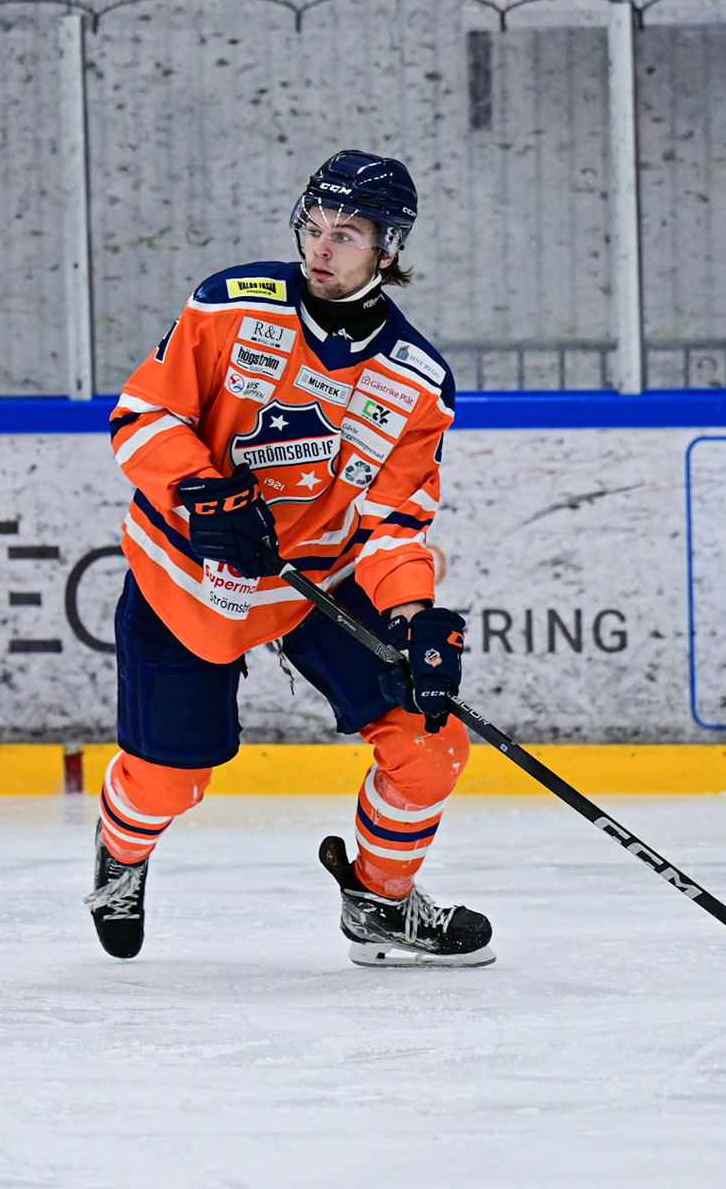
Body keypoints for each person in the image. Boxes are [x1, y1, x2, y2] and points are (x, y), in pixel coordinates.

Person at [86, 150, 490, 967]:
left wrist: (414, 619)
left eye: (346, 235)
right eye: (314, 226)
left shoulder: (415, 381)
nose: (320, 247)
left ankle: (380, 901)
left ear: (388, 249)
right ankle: (120, 857)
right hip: (188, 574)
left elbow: (394, 522)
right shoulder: (230, 306)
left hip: (318, 582)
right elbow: (142, 416)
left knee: (430, 741)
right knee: (171, 779)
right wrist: (205, 494)